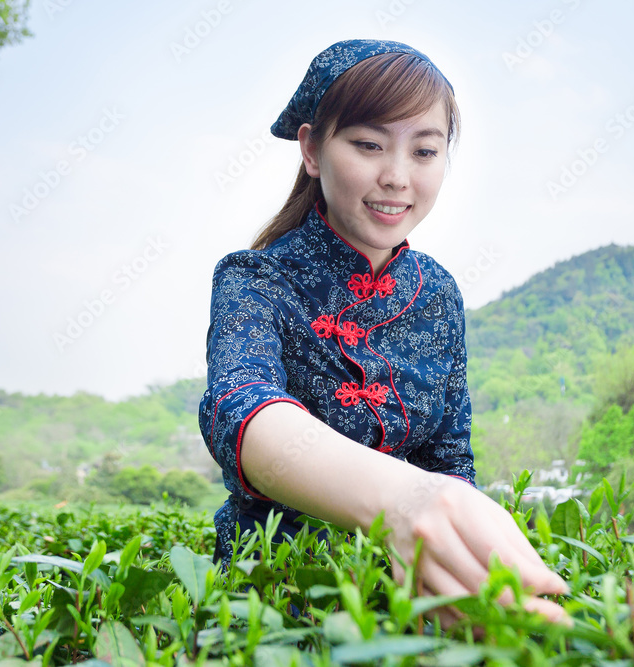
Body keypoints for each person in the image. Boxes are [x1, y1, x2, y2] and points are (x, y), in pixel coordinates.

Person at [198, 39, 568, 624]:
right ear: (313, 149)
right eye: (368, 145)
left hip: (405, 602)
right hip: (271, 601)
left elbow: (450, 460)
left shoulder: (438, 294)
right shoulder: (255, 279)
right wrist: (400, 498)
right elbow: (242, 414)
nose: (396, 177)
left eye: (424, 151)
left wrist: (464, 557)